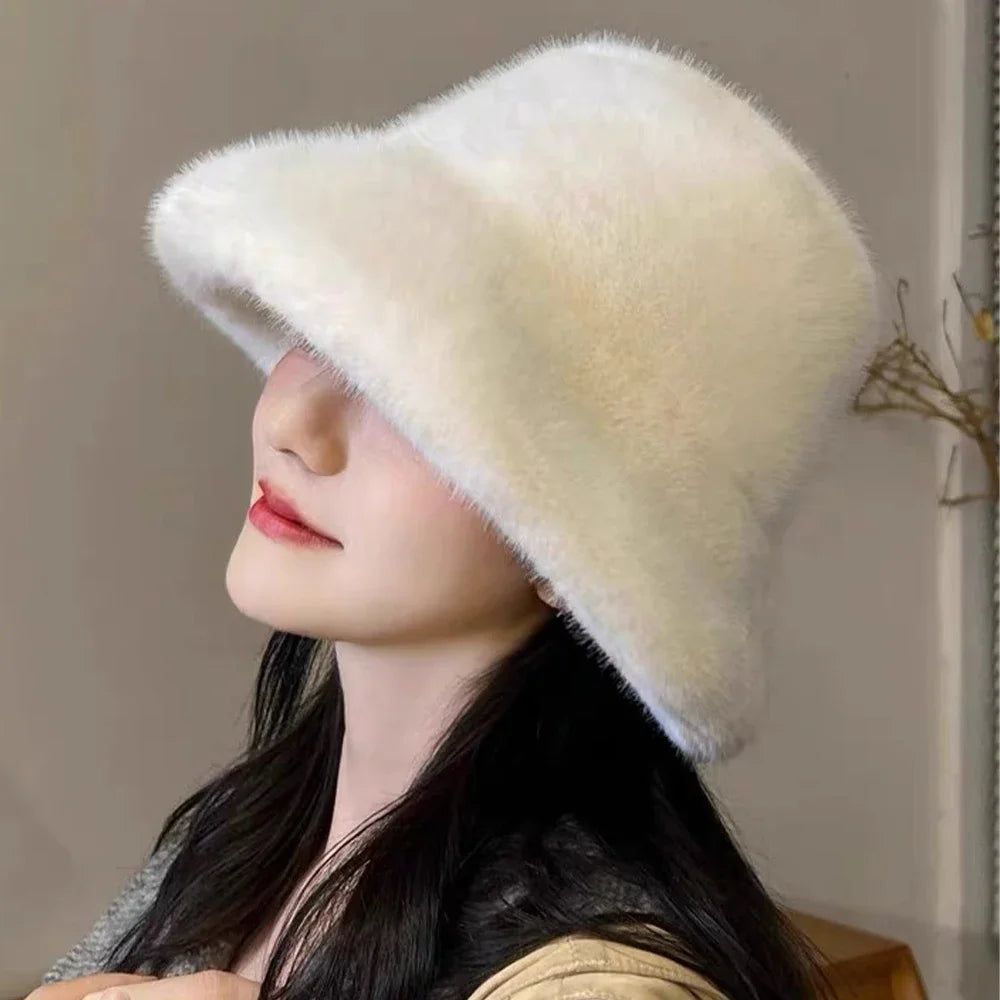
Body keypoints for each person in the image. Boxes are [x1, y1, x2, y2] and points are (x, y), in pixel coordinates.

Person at [35, 27, 880, 1000]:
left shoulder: (595, 983)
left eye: (411, 398)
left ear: (588, 552)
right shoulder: (239, 833)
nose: (295, 424)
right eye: (315, 331)